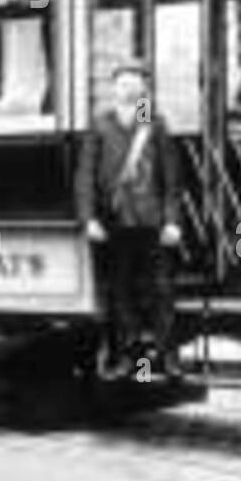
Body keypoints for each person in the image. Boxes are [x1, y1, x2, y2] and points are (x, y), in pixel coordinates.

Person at [75, 60, 183, 377]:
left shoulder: (155, 124)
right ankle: (127, 357)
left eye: (135, 85)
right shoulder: (100, 125)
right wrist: (88, 219)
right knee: (120, 292)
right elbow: (85, 177)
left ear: (144, 91)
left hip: (153, 223)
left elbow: (172, 179)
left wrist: (173, 221)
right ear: (114, 89)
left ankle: (167, 357)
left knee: (161, 290)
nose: (129, 90)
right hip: (115, 221)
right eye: (123, 84)